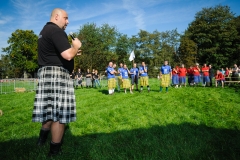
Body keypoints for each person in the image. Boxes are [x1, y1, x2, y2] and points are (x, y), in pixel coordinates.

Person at [32, 8, 82, 156]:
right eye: (66, 18)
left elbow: (56, 54)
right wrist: (75, 47)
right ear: (57, 17)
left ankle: (41, 141)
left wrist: (72, 51)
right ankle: (54, 151)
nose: (68, 22)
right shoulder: (56, 31)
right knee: (60, 115)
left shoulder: (44, 30)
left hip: (47, 74)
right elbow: (67, 56)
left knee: (49, 111)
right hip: (57, 76)